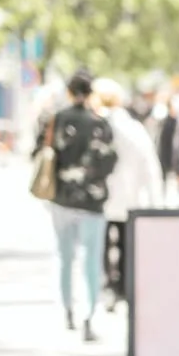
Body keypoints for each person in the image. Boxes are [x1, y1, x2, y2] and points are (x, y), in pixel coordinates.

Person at [34, 70, 118, 341]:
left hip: (62, 198)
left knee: (65, 256)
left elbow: (40, 152)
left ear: (69, 92)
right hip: (92, 201)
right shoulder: (100, 123)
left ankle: (68, 309)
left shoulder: (56, 119)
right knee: (91, 260)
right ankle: (88, 315)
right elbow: (109, 161)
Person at [91, 78, 163, 311]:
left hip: (100, 197)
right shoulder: (133, 127)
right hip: (129, 197)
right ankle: (123, 286)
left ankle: (107, 286)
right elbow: (150, 164)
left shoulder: (96, 125)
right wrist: (155, 200)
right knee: (125, 243)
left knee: (101, 244)